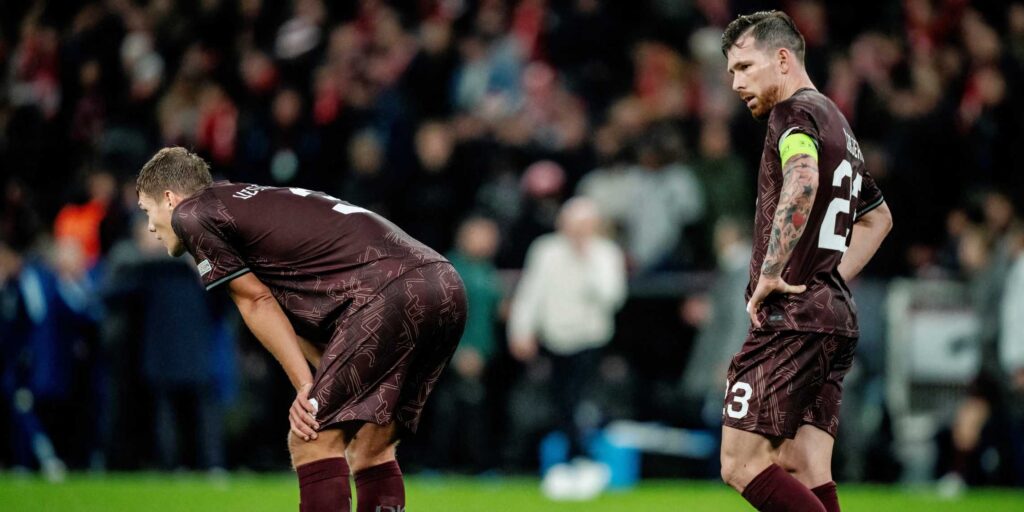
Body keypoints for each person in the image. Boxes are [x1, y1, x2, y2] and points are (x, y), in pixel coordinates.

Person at [135, 147, 467, 512]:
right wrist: (320, 379)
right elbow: (317, 322)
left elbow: (255, 301)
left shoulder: (192, 214)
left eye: (147, 211)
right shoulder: (246, 204)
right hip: (443, 284)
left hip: (391, 293)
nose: (150, 226)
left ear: (169, 199)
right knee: (371, 445)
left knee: (311, 438)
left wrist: (305, 389)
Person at [718, 12, 893, 512]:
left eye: (746, 67)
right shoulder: (840, 125)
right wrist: (825, 275)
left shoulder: (793, 115)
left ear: (782, 58)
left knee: (740, 462)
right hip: (834, 316)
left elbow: (802, 177)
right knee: (805, 465)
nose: (736, 83)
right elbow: (878, 219)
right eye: (732, 72)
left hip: (793, 321)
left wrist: (775, 271)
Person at [507, 196, 626, 499]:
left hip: (591, 339)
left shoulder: (605, 254)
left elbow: (612, 296)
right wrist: (521, 330)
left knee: (578, 401)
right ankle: (574, 462)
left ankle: (584, 461)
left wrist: (586, 260)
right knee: (561, 402)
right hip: (555, 339)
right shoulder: (545, 250)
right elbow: (530, 292)